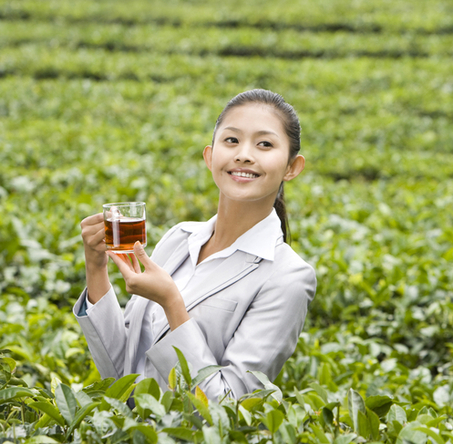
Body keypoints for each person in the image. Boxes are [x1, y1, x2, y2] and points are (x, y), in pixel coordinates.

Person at [73, 89, 317, 402]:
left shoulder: (289, 277)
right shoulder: (179, 238)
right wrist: (96, 267)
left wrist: (172, 303)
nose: (243, 154)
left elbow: (228, 407)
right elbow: (120, 374)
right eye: (231, 140)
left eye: (265, 144)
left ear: (292, 167)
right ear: (209, 156)